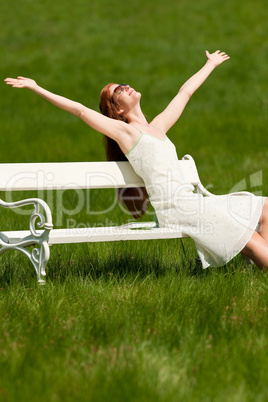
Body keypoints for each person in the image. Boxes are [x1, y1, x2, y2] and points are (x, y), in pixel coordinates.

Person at [4, 50, 268, 271]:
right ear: (117, 109)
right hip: (179, 209)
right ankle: (258, 258)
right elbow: (79, 109)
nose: (125, 85)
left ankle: (258, 267)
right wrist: (37, 88)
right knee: (252, 242)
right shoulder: (126, 133)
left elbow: (184, 93)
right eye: (117, 90)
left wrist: (210, 64)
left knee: (264, 208)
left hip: (194, 202)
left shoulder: (158, 128)